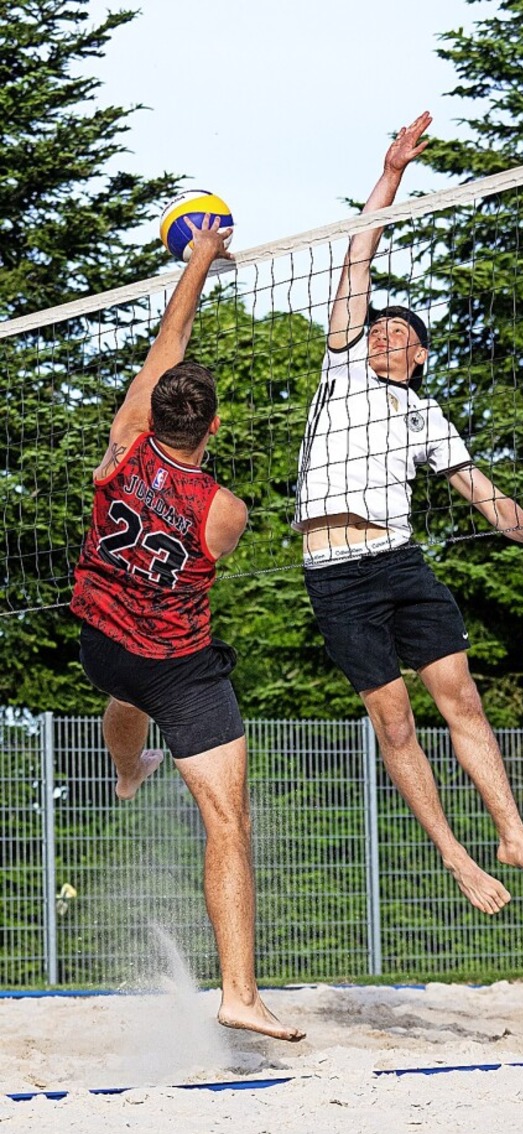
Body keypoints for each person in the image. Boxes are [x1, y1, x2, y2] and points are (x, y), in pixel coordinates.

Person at [294, 112, 523, 917]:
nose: (383, 332)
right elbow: (361, 251)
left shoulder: (428, 416)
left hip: (399, 559)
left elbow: (485, 496)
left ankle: (513, 834)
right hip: (335, 572)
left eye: (399, 331)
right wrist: (391, 172)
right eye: (378, 326)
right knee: (394, 726)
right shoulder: (344, 366)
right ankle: (454, 856)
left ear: (418, 355)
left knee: (462, 700)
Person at [72, 214, 303, 1041]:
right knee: (227, 823)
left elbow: (168, 343)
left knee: (121, 689)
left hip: (104, 647)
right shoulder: (226, 512)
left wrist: (198, 258)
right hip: (179, 668)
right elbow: (174, 373)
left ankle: (129, 772)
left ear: (150, 415)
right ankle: (239, 993)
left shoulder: (123, 449)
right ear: (212, 427)